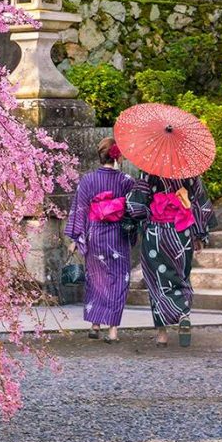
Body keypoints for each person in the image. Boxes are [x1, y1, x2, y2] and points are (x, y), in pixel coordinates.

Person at [125, 165, 208, 344]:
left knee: (156, 280)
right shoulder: (188, 170)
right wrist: (200, 234)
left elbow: (136, 207)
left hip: (156, 233)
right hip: (181, 232)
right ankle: (184, 315)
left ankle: (162, 334)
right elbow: (199, 202)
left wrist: (148, 213)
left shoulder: (150, 169)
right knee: (181, 276)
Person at [64, 141, 134, 340]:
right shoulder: (126, 181)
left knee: (97, 278)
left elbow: (80, 210)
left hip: (94, 234)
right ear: (117, 157)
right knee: (118, 279)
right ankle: (112, 330)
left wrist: (76, 238)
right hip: (117, 236)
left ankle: (95, 325)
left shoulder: (88, 180)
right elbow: (134, 209)